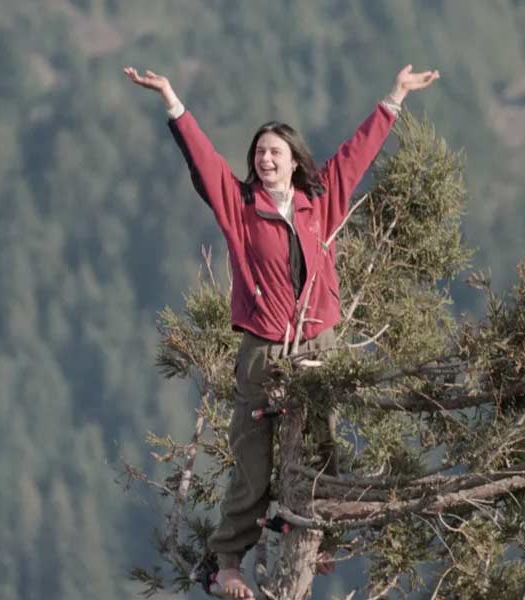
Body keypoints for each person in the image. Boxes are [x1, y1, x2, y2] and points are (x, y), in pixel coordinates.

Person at [125, 63, 439, 599]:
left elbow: (357, 155)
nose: (264, 159)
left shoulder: (321, 201)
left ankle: (313, 541)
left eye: (274, 152)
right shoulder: (240, 207)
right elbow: (203, 160)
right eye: (258, 153)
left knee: (321, 450)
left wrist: (395, 97)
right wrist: (171, 100)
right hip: (263, 350)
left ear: (295, 161)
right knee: (253, 462)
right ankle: (227, 564)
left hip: (318, 345)